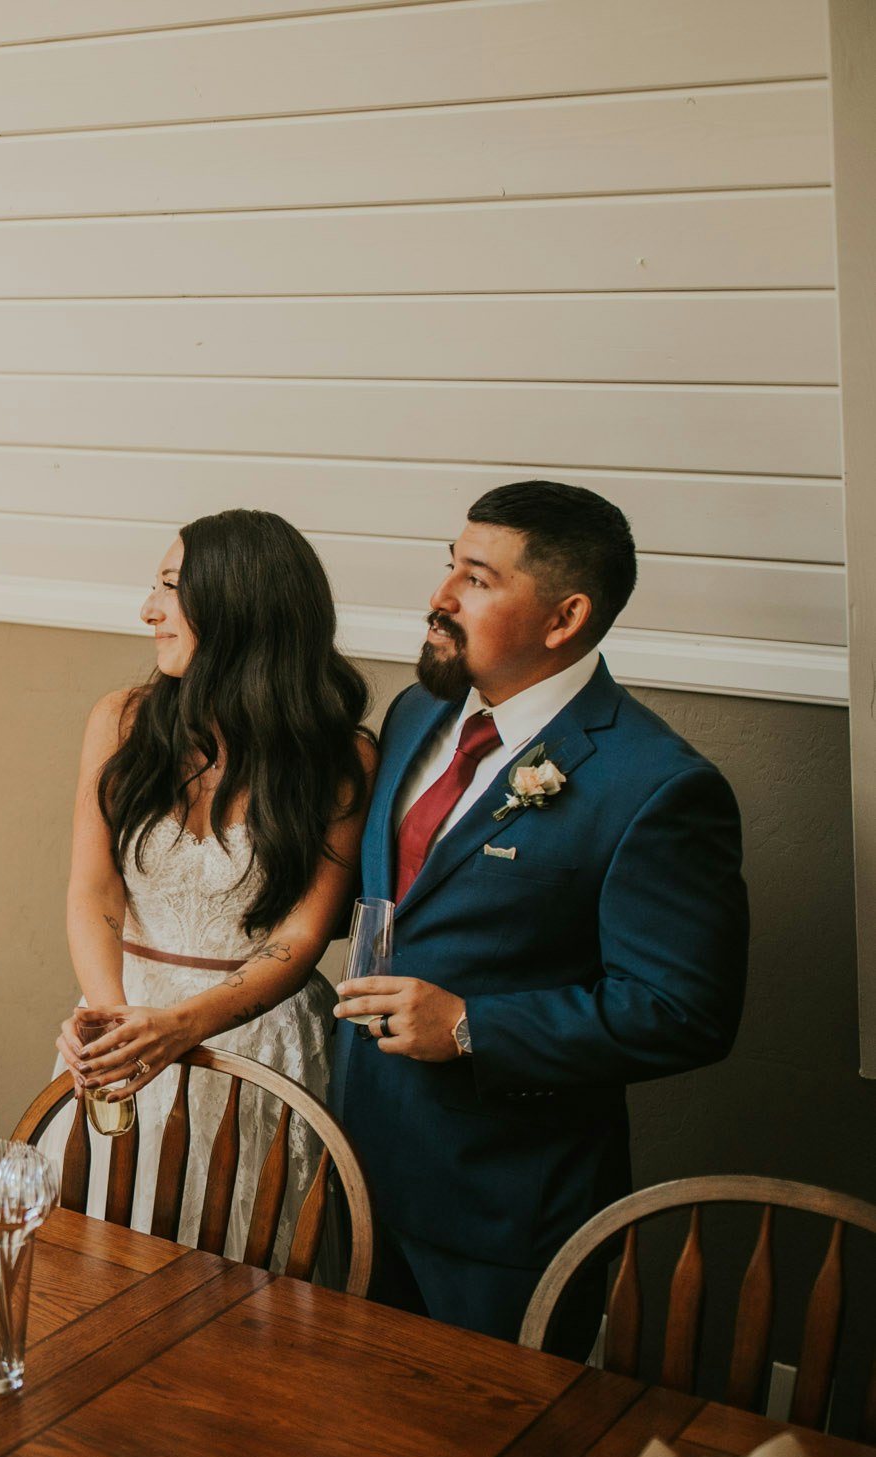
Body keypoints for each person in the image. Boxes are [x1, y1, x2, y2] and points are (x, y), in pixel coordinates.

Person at [330, 480, 747, 1346]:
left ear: (564, 619)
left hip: (506, 1208)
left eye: (477, 580)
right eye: (449, 567)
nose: (439, 600)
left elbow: (684, 1012)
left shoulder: (658, 787)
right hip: (359, 1171)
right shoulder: (417, 715)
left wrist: (473, 1025)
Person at [53, 510, 375, 1256]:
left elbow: (301, 935)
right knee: (100, 1253)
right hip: (122, 1018)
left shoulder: (340, 758)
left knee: (240, 1274)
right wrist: (112, 1024)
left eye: (170, 588)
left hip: (255, 1043)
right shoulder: (121, 721)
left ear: (239, 606)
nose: (148, 610)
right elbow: (93, 891)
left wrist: (186, 1025)